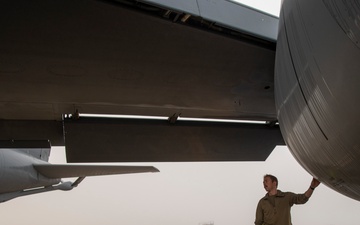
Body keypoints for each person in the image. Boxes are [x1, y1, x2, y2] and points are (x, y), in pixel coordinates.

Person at [254, 174, 320, 225]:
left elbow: (302, 198)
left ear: (274, 183)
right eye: (263, 182)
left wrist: (312, 187)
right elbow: (258, 222)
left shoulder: (286, 197)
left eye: (266, 181)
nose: (264, 183)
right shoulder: (262, 202)